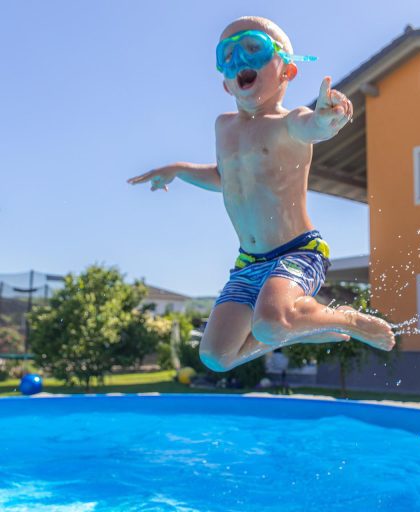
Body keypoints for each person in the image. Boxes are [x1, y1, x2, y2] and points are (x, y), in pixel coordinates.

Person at [128, 17, 395, 372]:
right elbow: (225, 177)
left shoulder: (289, 123)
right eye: (229, 53)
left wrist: (328, 117)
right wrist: (177, 169)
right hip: (248, 264)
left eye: (254, 48)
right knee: (216, 356)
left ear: (288, 71)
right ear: (226, 83)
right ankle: (295, 329)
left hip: (297, 253)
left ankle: (345, 319)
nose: (241, 60)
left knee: (270, 323)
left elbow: (313, 126)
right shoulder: (224, 127)